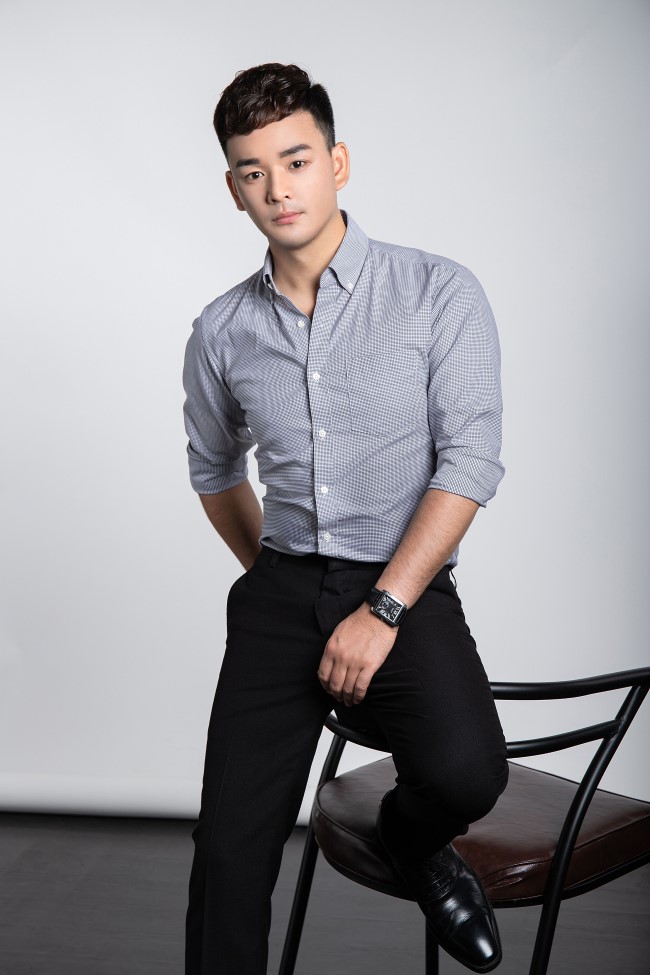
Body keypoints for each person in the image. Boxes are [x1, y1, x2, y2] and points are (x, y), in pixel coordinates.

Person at [182, 62, 509, 975]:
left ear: (338, 163)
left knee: (467, 772)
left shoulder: (438, 292)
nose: (278, 188)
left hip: (402, 584)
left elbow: (470, 462)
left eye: (296, 161)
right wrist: (270, 575)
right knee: (229, 849)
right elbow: (214, 469)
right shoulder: (221, 330)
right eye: (254, 171)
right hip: (282, 590)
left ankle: (413, 841)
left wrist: (384, 607)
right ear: (234, 189)